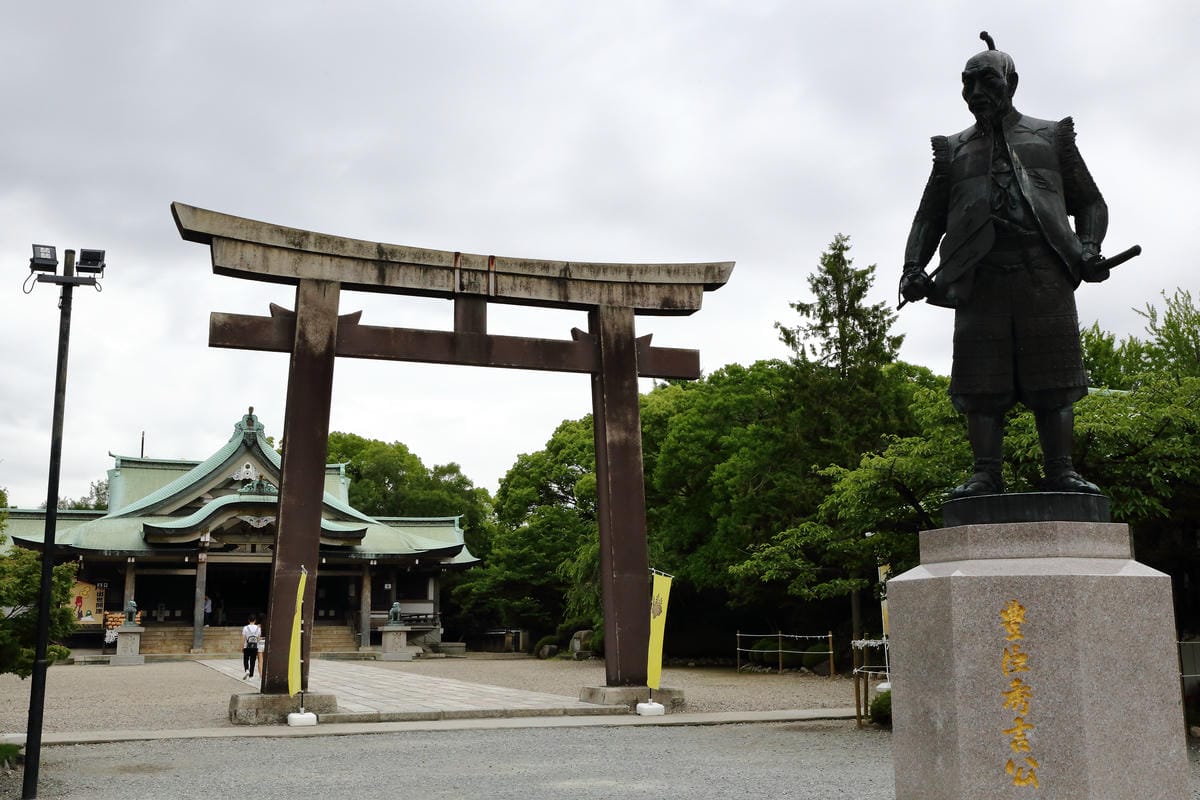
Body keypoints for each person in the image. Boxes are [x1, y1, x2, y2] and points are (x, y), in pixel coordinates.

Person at [899, 31, 1111, 498]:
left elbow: (1091, 203)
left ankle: (1061, 471)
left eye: (986, 81)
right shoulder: (952, 150)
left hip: (1043, 275)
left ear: (1011, 82)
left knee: (1053, 380)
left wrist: (1089, 247)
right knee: (981, 384)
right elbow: (929, 217)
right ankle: (984, 472)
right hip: (980, 280)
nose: (976, 93)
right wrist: (913, 267)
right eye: (968, 83)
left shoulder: (1051, 136)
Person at [241, 614, 262, 680]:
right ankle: (251, 676)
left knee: (246, 659)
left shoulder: (245, 628)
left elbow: (243, 638)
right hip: (255, 647)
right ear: (255, 620)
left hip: (246, 646)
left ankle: (247, 670)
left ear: (248, 620)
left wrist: (242, 646)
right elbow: (258, 638)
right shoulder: (258, 628)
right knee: (253, 661)